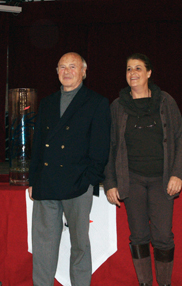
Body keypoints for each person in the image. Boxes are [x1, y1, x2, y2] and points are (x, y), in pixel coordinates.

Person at [103, 53, 182, 286]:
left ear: (149, 73)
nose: (133, 73)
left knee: (163, 236)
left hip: (163, 179)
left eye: (138, 68)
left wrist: (177, 174)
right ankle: (144, 283)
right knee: (138, 235)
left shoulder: (165, 101)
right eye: (129, 69)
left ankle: (164, 284)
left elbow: (181, 139)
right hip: (132, 179)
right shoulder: (117, 106)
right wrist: (110, 183)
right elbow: (109, 147)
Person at [27, 52, 111, 286]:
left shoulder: (97, 102)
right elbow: (38, 146)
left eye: (72, 66)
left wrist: (89, 180)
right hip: (46, 184)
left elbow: (101, 147)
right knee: (43, 247)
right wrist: (34, 180)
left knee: (80, 245)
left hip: (78, 184)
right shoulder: (47, 102)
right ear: (56, 72)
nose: (67, 71)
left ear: (84, 71)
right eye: (62, 67)